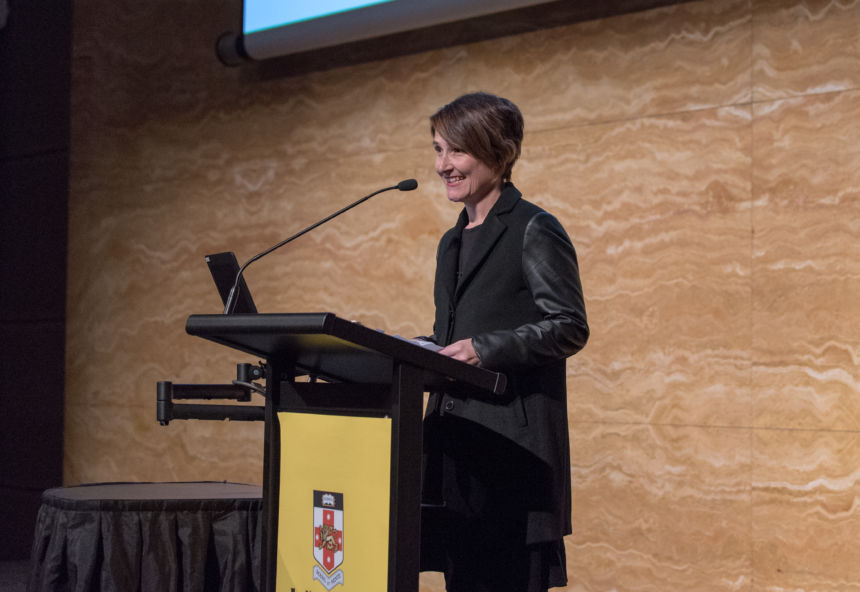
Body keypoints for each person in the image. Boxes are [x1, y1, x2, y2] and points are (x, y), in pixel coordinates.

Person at [420, 92, 589, 592]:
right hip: (455, 448)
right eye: (436, 150)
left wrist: (485, 348)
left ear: (499, 152)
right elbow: (455, 333)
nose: (442, 166)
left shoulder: (533, 228)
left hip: (510, 456)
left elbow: (568, 325)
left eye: (456, 151)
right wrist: (420, 348)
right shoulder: (451, 241)